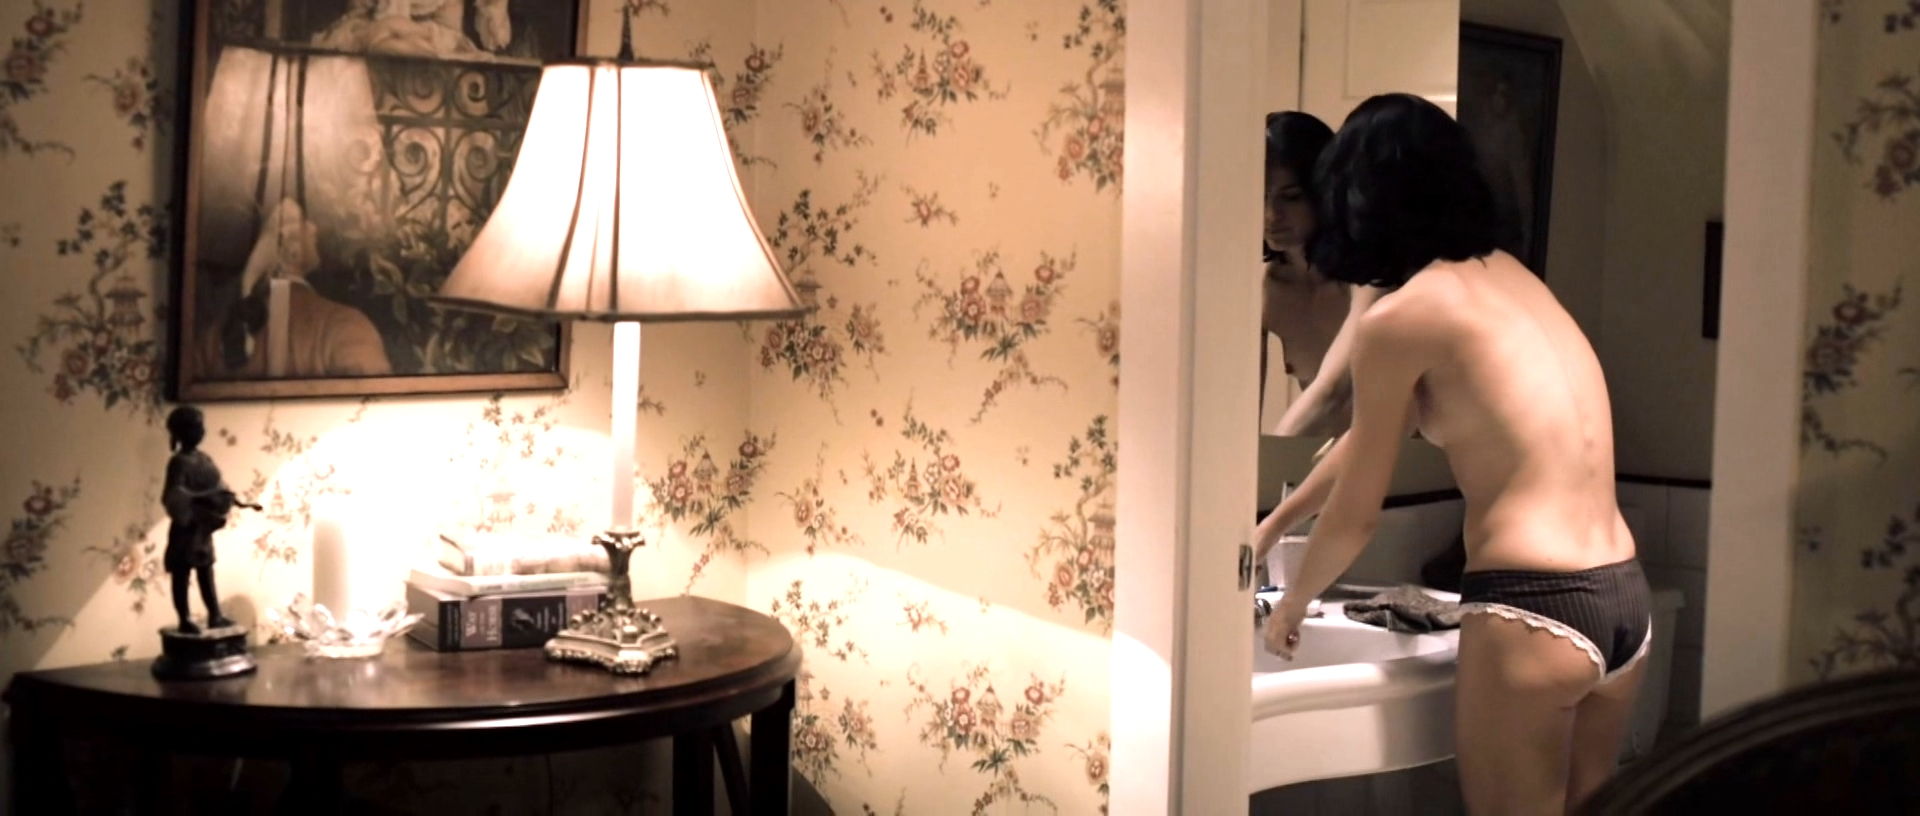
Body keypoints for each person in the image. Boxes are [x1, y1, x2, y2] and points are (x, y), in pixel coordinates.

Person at [1256, 93, 1649, 815]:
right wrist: (1274, 526)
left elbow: (1356, 516)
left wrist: (1294, 607)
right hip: (1622, 594)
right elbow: (1366, 440)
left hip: (1534, 606)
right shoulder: (1513, 280)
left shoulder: (1402, 319)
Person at [1259, 111, 1385, 437]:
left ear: (1324, 191)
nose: (1271, 215)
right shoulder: (1264, 288)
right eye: (1260, 196)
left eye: (1291, 197)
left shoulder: (1369, 278)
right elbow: (1239, 411)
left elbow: (1331, 393)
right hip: (1324, 455)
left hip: (1413, 455)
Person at [162, 407, 256, 634]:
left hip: (204, 528)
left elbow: (219, 486)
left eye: (201, 427)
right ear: (182, 432)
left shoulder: (205, 459)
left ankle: (215, 614)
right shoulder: (179, 462)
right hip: (186, 527)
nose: (201, 431)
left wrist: (231, 499)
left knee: (206, 571)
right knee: (182, 574)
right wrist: (204, 497)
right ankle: (184, 619)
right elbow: (174, 495)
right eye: (195, 427)